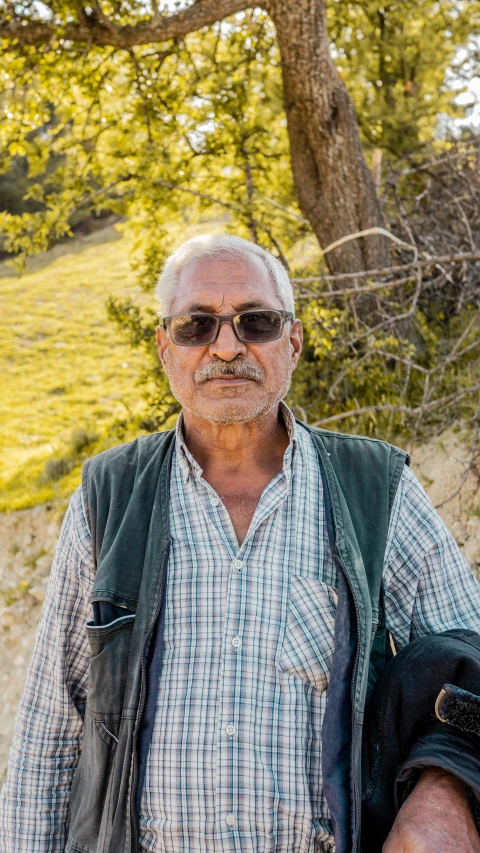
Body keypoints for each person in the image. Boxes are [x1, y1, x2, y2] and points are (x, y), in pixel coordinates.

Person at [1, 233, 479, 853]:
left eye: (256, 321)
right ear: (165, 347)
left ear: (295, 341)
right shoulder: (109, 497)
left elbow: (471, 655)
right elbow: (51, 731)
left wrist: (443, 787)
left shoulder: (375, 489)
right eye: (197, 326)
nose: (227, 347)